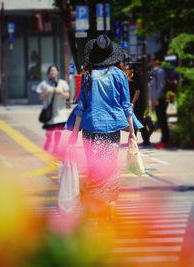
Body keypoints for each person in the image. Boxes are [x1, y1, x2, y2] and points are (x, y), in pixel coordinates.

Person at [67, 34, 143, 218]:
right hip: (110, 130)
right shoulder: (119, 75)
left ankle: (95, 205)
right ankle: (109, 204)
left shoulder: (88, 76)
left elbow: (81, 106)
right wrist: (132, 133)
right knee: (109, 168)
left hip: (89, 129)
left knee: (95, 168)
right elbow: (126, 106)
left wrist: (74, 133)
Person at [36, 64, 70, 156]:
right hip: (49, 113)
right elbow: (40, 97)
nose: (52, 72)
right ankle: (48, 140)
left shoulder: (63, 83)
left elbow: (67, 96)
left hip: (60, 113)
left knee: (58, 131)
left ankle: (56, 146)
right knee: (49, 131)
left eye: (54, 70)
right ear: (48, 73)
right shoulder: (44, 84)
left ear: (57, 72)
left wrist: (60, 92)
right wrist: (46, 93)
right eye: (51, 71)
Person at [127, 62, 151, 146]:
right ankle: (134, 140)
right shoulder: (131, 78)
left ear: (132, 70)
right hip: (137, 103)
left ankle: (145, 139)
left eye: (129, 68)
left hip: (138, 103)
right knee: (136, 122)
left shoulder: (135, 78)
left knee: (138, 121)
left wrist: (133, 103)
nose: (128, 70)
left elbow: (137, 91)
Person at [148, 56, 169, 149]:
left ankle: (165, 140)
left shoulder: (160, 71)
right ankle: (163, 140)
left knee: (162, 120)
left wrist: (155, 98)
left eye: (152, 60)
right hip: (155, 99)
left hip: (159, 99)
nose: (151, 62)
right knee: (160, 119)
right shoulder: (154, 71)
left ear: (156, 61)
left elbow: (161, 85)